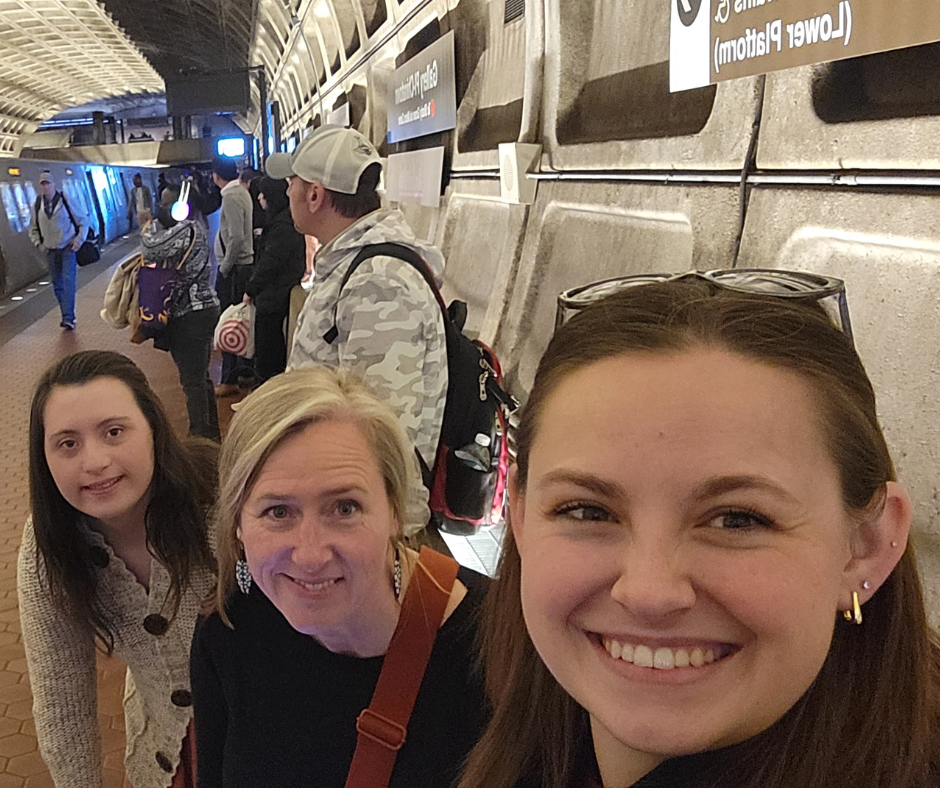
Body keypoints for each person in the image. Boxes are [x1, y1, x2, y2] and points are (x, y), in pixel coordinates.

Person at [457, 275, 940, 788]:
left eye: (738, 519)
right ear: (522, 520)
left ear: (864, 547)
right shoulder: (510, 738)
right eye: (587, 512)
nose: (648, 593)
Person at [190, 367, 489, 788]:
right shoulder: (229, 628)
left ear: (395, 512)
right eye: (278, 512)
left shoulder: (499, 651)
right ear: (237, 524)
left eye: (344, 509)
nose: (310, 555)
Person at [19, 351, 218, 788]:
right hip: (164, 745)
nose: (94, 462)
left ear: (153, 429)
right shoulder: (48, 545)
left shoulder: (220, 502)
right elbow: (60, 701)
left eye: (113, 432)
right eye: (67, 443)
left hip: (264, 729)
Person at [264, 125, 447, 481]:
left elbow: (383, 431)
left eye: (293, 181)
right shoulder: (353, 265)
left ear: (315, 195)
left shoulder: (379, 283)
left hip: (361, 513)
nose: (287, 190)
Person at [140, 186, 221, 441]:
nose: (162, 210)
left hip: (190, 313)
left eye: (166, 205)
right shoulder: (197, 227)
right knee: (200, 377)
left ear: (179, 206)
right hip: (201, 310)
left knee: (192, 381)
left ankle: (200, 439)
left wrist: (147, 225)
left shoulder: (186, 229)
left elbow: (150, 249)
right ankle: (210, 435)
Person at [242, 176, 306, 382]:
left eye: (263, 194)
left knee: (268, 348)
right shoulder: (284, 221)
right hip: (277, 293)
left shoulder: (282, 225)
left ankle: (265, 388)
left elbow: (271, 261)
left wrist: (251, 288)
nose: (260, 197)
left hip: (274, 296)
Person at [212, 156, 255, 396]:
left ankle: (229, 378)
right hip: (242, 268)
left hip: (236, 270)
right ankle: (244, 373)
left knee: (228, 322)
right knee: (241, 321)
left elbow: (236, 237)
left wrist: (225, 267)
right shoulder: (241, 191)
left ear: (216, 175)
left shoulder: (230, 196)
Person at [27, 170, 86, 330]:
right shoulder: (37, 205)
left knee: (68, 281)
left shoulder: (66, 200)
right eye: (42, 184)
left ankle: (68, 317)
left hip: (67, 247)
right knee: (57, 284)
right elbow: (32, 227)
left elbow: (84, 220)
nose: (45, 187)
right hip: (50, 250)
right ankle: (65, 313)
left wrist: (78, 240)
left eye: (48, 183)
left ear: (54, 184)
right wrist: (38, 243)